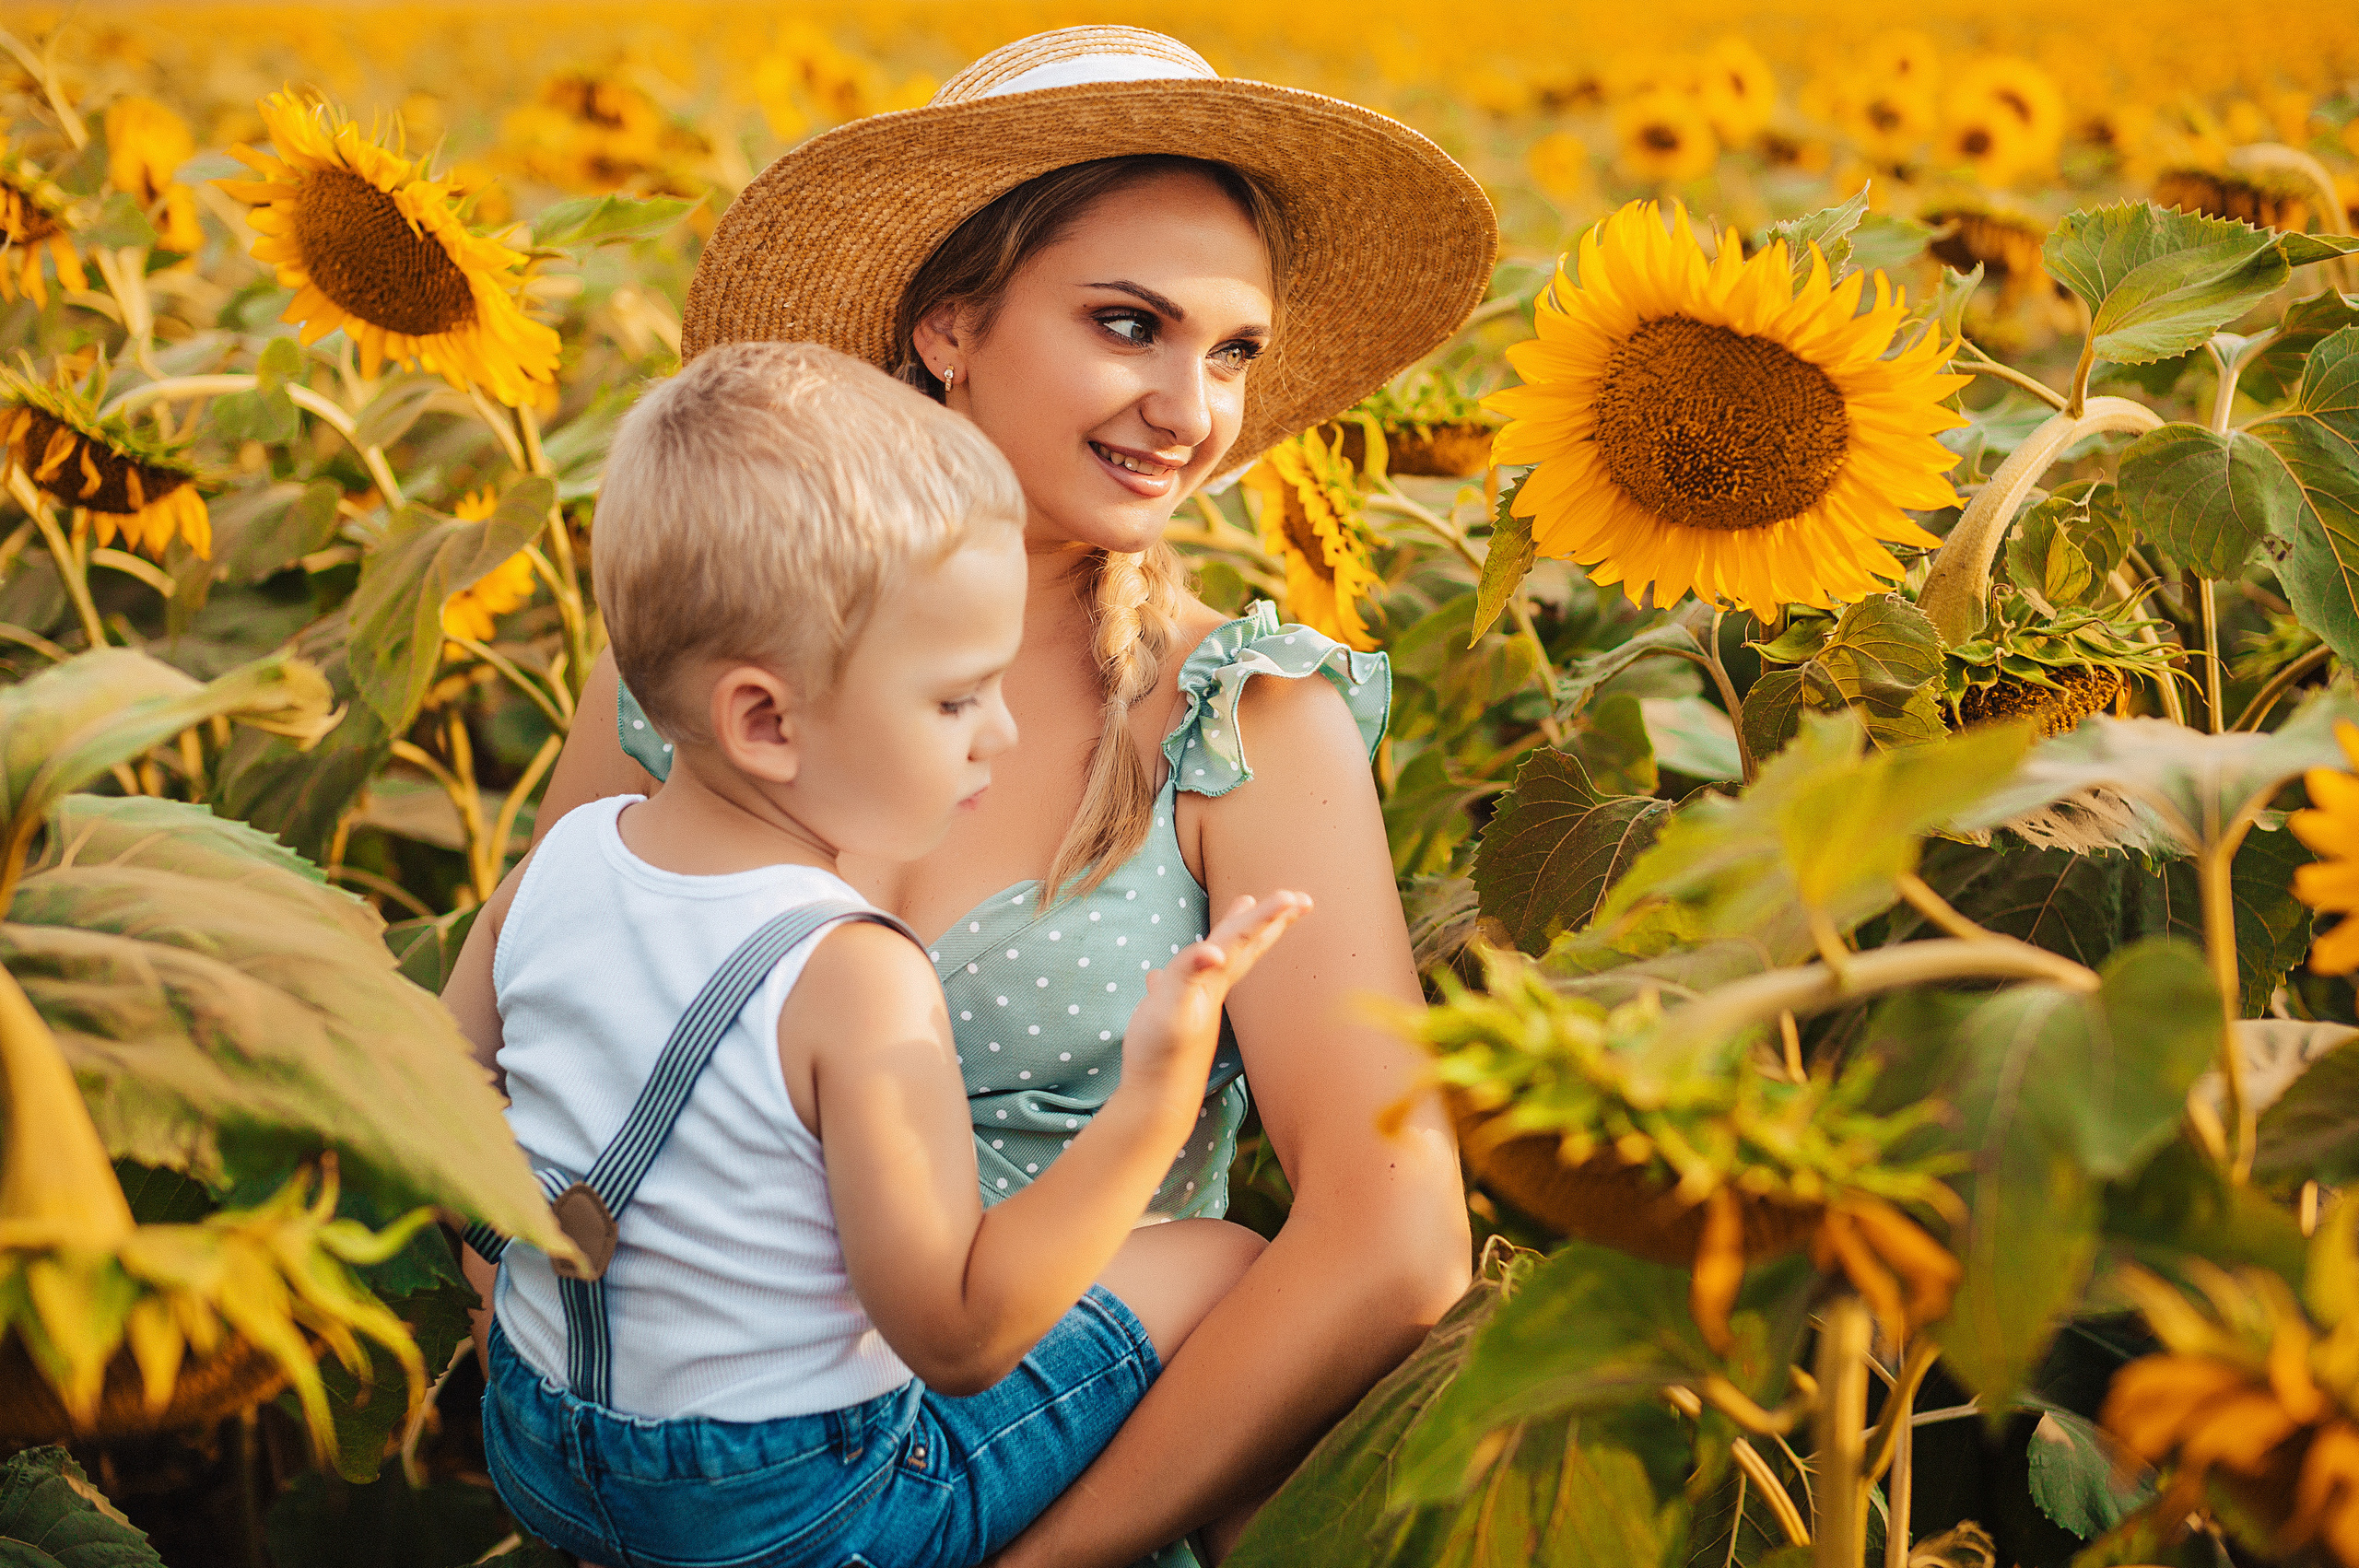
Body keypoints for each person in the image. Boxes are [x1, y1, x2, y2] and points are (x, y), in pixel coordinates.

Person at [528, 26, 1499, 1564]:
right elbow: (516, 1065)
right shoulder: (707, 661)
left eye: (1233, 352)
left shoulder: (1242, 717)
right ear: (949, 327)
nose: (1191, 407)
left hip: (1063, 1504)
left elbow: (1393, 1235)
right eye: (1130, 324)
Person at [446, 341, 1309, 1568]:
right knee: (1225, 1265)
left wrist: (552, 1306)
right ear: (767, 721)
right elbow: (958, 1336)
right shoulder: (854, 975)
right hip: (797, 1508)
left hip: (539, 1442)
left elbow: (434, 1102)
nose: (999, 733)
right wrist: (1154, 1104)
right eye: (955, 700)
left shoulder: (562, 864)